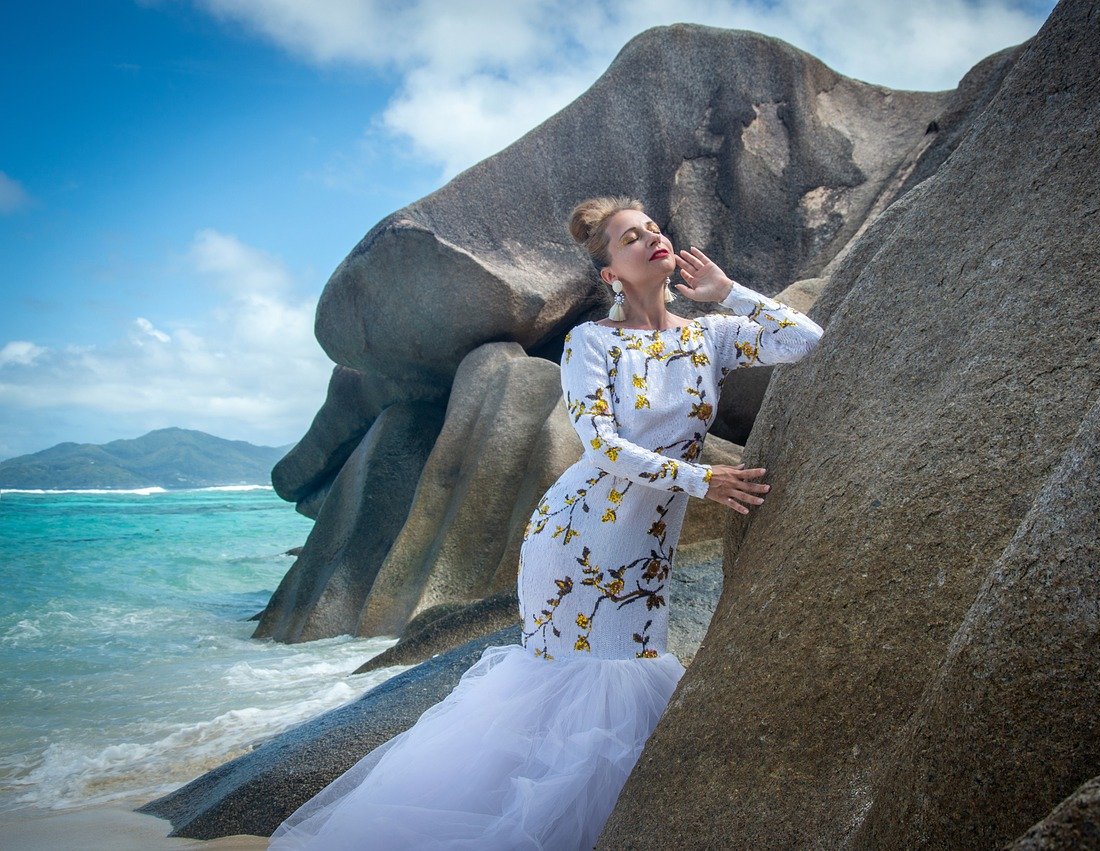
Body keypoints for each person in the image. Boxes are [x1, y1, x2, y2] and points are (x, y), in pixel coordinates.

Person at [267, 196, 823, 849]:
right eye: (629, 238)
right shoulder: (591, 342)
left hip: (645, 549)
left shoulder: (711, 336)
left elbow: (806, 341)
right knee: (576, 687)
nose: (651, 238)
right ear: (610, 274)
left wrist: (729, 292)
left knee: (629, 678)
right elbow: (602, 446)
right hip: (576, 536)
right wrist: (704, 480)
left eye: (652, 229)